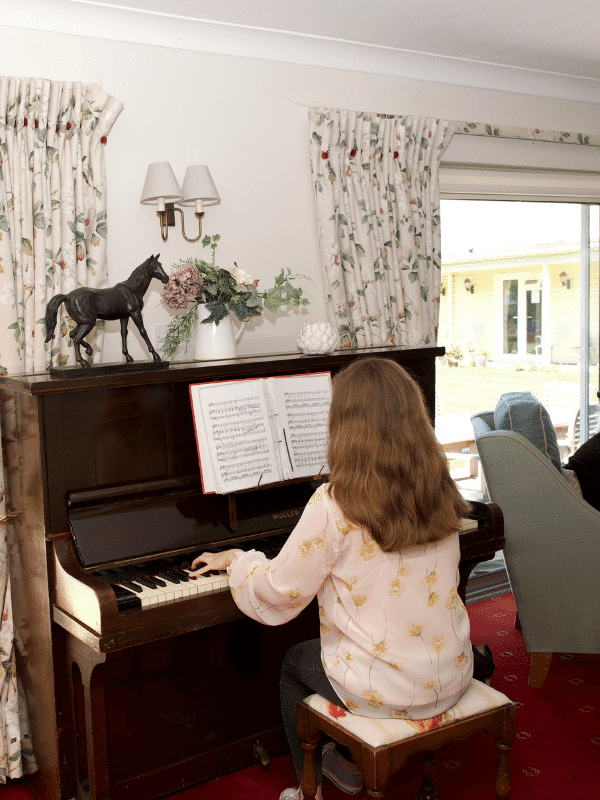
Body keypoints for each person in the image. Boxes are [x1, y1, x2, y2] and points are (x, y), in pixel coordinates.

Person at [190, 357, 475, 800]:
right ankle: (345, 760)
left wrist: (242, 561)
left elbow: (277, 591)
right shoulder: (439, 482)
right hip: (451, 671)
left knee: (291, 666)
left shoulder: (336, 502)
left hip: (389, 688)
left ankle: (310, 790)